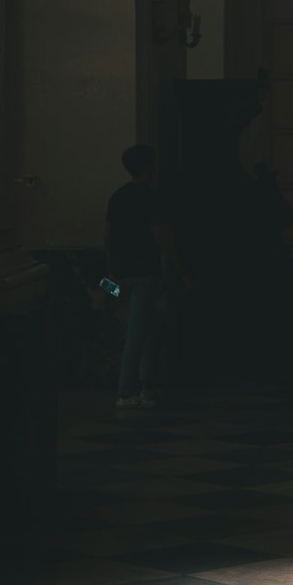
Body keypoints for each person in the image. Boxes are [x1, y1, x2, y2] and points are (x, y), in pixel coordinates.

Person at [104, 144, 193, 408]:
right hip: (145, 272)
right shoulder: (153, 198)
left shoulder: (116, 197)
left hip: (121, 273)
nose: (155, 168)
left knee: (147, 329)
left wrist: (111, 273)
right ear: (145, 166)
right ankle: (125, 392)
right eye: (152, 163)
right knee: (138, 332)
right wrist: (183, 271)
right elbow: (162, 237)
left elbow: (107, 237)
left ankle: (145, 386)